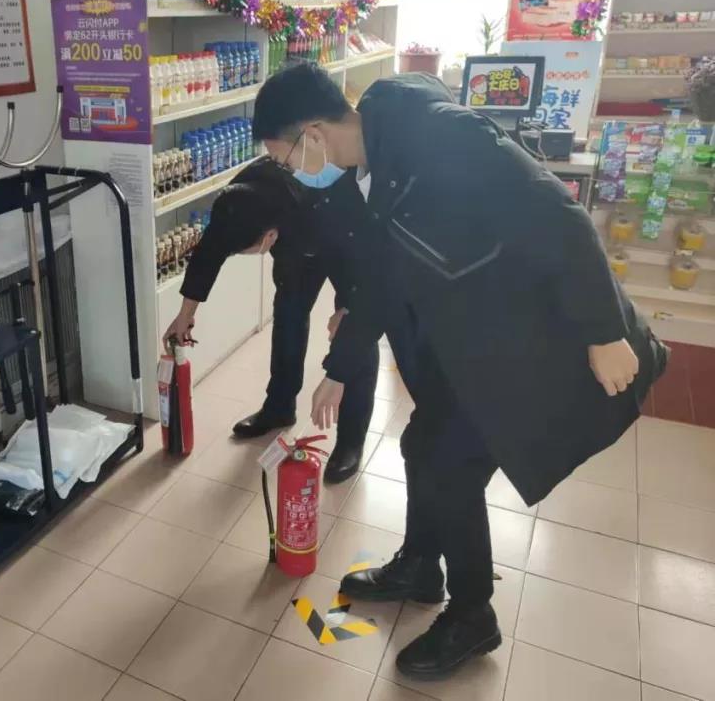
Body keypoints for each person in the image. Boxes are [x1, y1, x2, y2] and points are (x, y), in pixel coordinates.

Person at [251, 64, 666, 679]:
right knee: (424, 444)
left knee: (449, 465)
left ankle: (473, 616)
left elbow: (560, 214)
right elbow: (382, 280)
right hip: (477, 338)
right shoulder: (370, 170)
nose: (292, 172)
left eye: (285, 159)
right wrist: (339, 368)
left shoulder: (441, 137)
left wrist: (605, 331)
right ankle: (421, 566)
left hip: (538, 335)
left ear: (312, 133)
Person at [164, 158, 378, 482]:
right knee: (288, 317)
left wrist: (350, 307)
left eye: (250, 250)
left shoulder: (329, 196)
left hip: (343, 244)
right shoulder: (237, 204)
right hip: (297, 249)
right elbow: (208, 254)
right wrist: (185, 315)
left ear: (269, 237)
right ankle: (279, 407)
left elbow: (362, 257)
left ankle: (351, 439)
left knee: (356, 332)